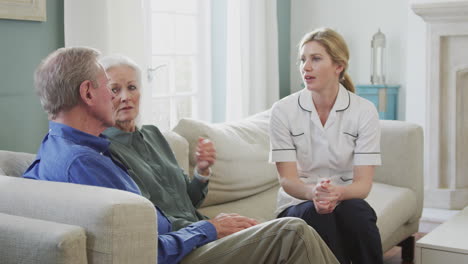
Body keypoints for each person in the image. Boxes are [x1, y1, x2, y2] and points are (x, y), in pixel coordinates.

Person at [23, 47, 339, 264]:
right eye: (110, 86)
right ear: (88, 93)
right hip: (180, 253)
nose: (119, 97)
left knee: (295, 224)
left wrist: (203, 185)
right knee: (291, 231)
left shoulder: (64, 149)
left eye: (130, 87)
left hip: (188, 238)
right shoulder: (84, 163)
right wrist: (209, 229)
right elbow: (142, 251)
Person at [269, 28, 383, 264]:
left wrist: (337, 193)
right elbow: (287, 180)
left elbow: (363, 185)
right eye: (303, 60)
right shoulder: (283, 110)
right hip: (298, 202)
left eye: (316, 59)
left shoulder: (364, 111)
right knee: (318, 216)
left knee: (358, 212)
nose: (305, 67)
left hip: (345, 197)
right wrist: (314, 194)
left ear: (338, 66)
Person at [99, 55, 213, 230]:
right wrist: (210, 228)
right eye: (115, 90)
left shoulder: (154, 134)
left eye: (132, 87)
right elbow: (147, 220)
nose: (125, 97)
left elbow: (189, 202)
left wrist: (202, 171)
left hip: (201, 230)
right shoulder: (104, 150)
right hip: (183, 241)